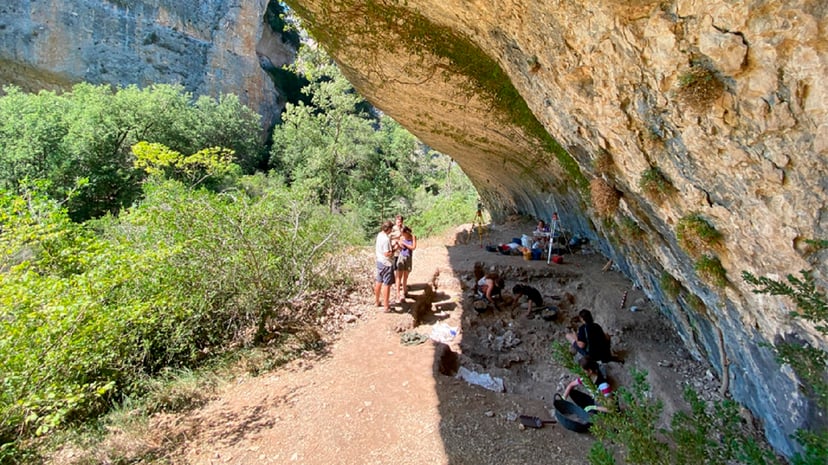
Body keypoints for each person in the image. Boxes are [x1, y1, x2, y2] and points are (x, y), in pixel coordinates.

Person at [374, 221, 395, 312]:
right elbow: (387, 253)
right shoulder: (386, 240)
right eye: (391, 229)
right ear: (389, 229)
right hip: (386, 263)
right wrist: (394, 250)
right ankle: (386, 306)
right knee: (387, 284)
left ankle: (377, 301)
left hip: (379, 261)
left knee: (379, 281)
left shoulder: (379, 235)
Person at [395, 226, 417, 303]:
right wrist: (399, 245)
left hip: (409, 257)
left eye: (403, 233)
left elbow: (413, 247)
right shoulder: (401, 237)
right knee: (399, 276)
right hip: (402, 257)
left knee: (406, 275)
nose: (402, 234)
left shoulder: (413, 237)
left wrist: (404, 243)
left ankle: (404, 291)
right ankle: (398, 294)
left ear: (406, 232)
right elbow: (400, 248)